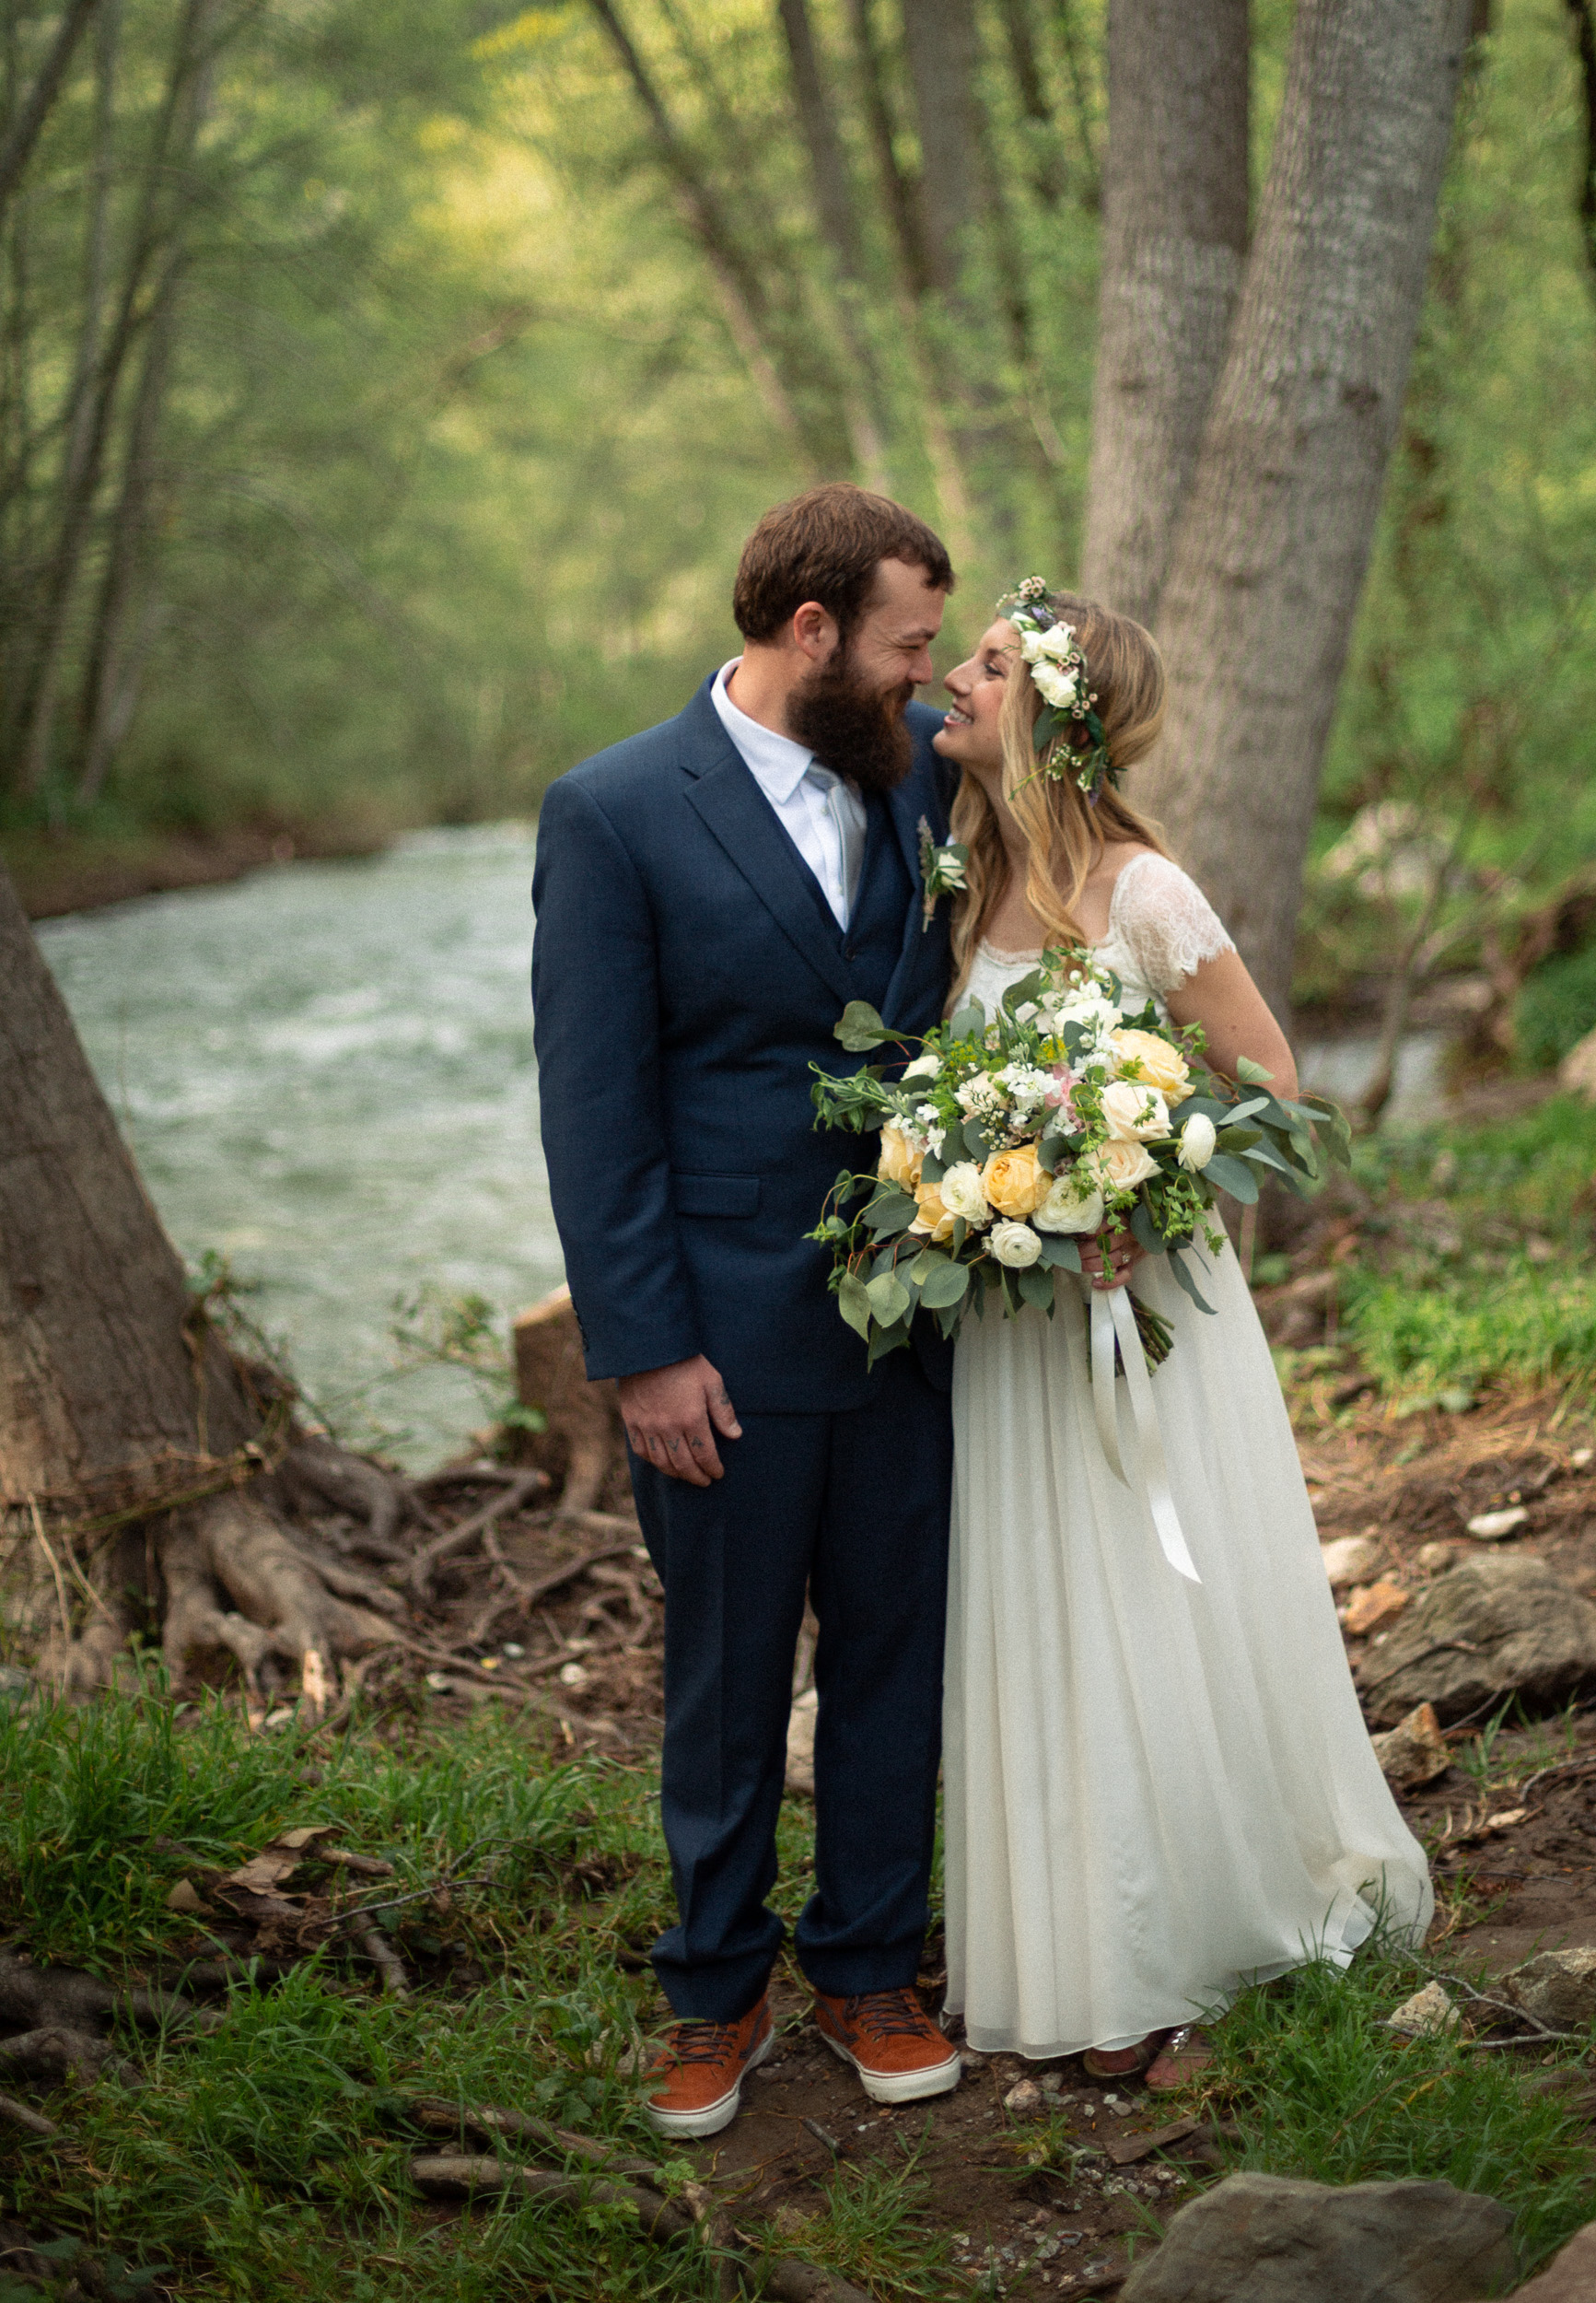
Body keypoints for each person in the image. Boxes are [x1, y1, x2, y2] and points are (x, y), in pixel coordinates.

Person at [929, 586, 1433, 2086]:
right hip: (1015, 1325)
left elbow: (1272, 1084)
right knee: (1043, 1611)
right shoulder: (968, 885)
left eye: (991, 664)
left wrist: (1139, 1185)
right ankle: (1075, 1937)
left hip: (1141, 1318)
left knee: (1146, 1598)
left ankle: (1183, 1937)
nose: (955, 674)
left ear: (1056, 714)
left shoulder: (1143, 893)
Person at [531, 485, 971, 2137]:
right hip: (715, 1341)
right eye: (907, 646)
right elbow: (594, 1109)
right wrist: (641, 1350)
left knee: (891, 1657)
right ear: (814, 635)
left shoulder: (925, 774)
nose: (925, 682)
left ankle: (871, 1962)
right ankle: (712, 1991)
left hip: (915, 1316)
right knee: (724, 1680)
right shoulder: (617, 811)